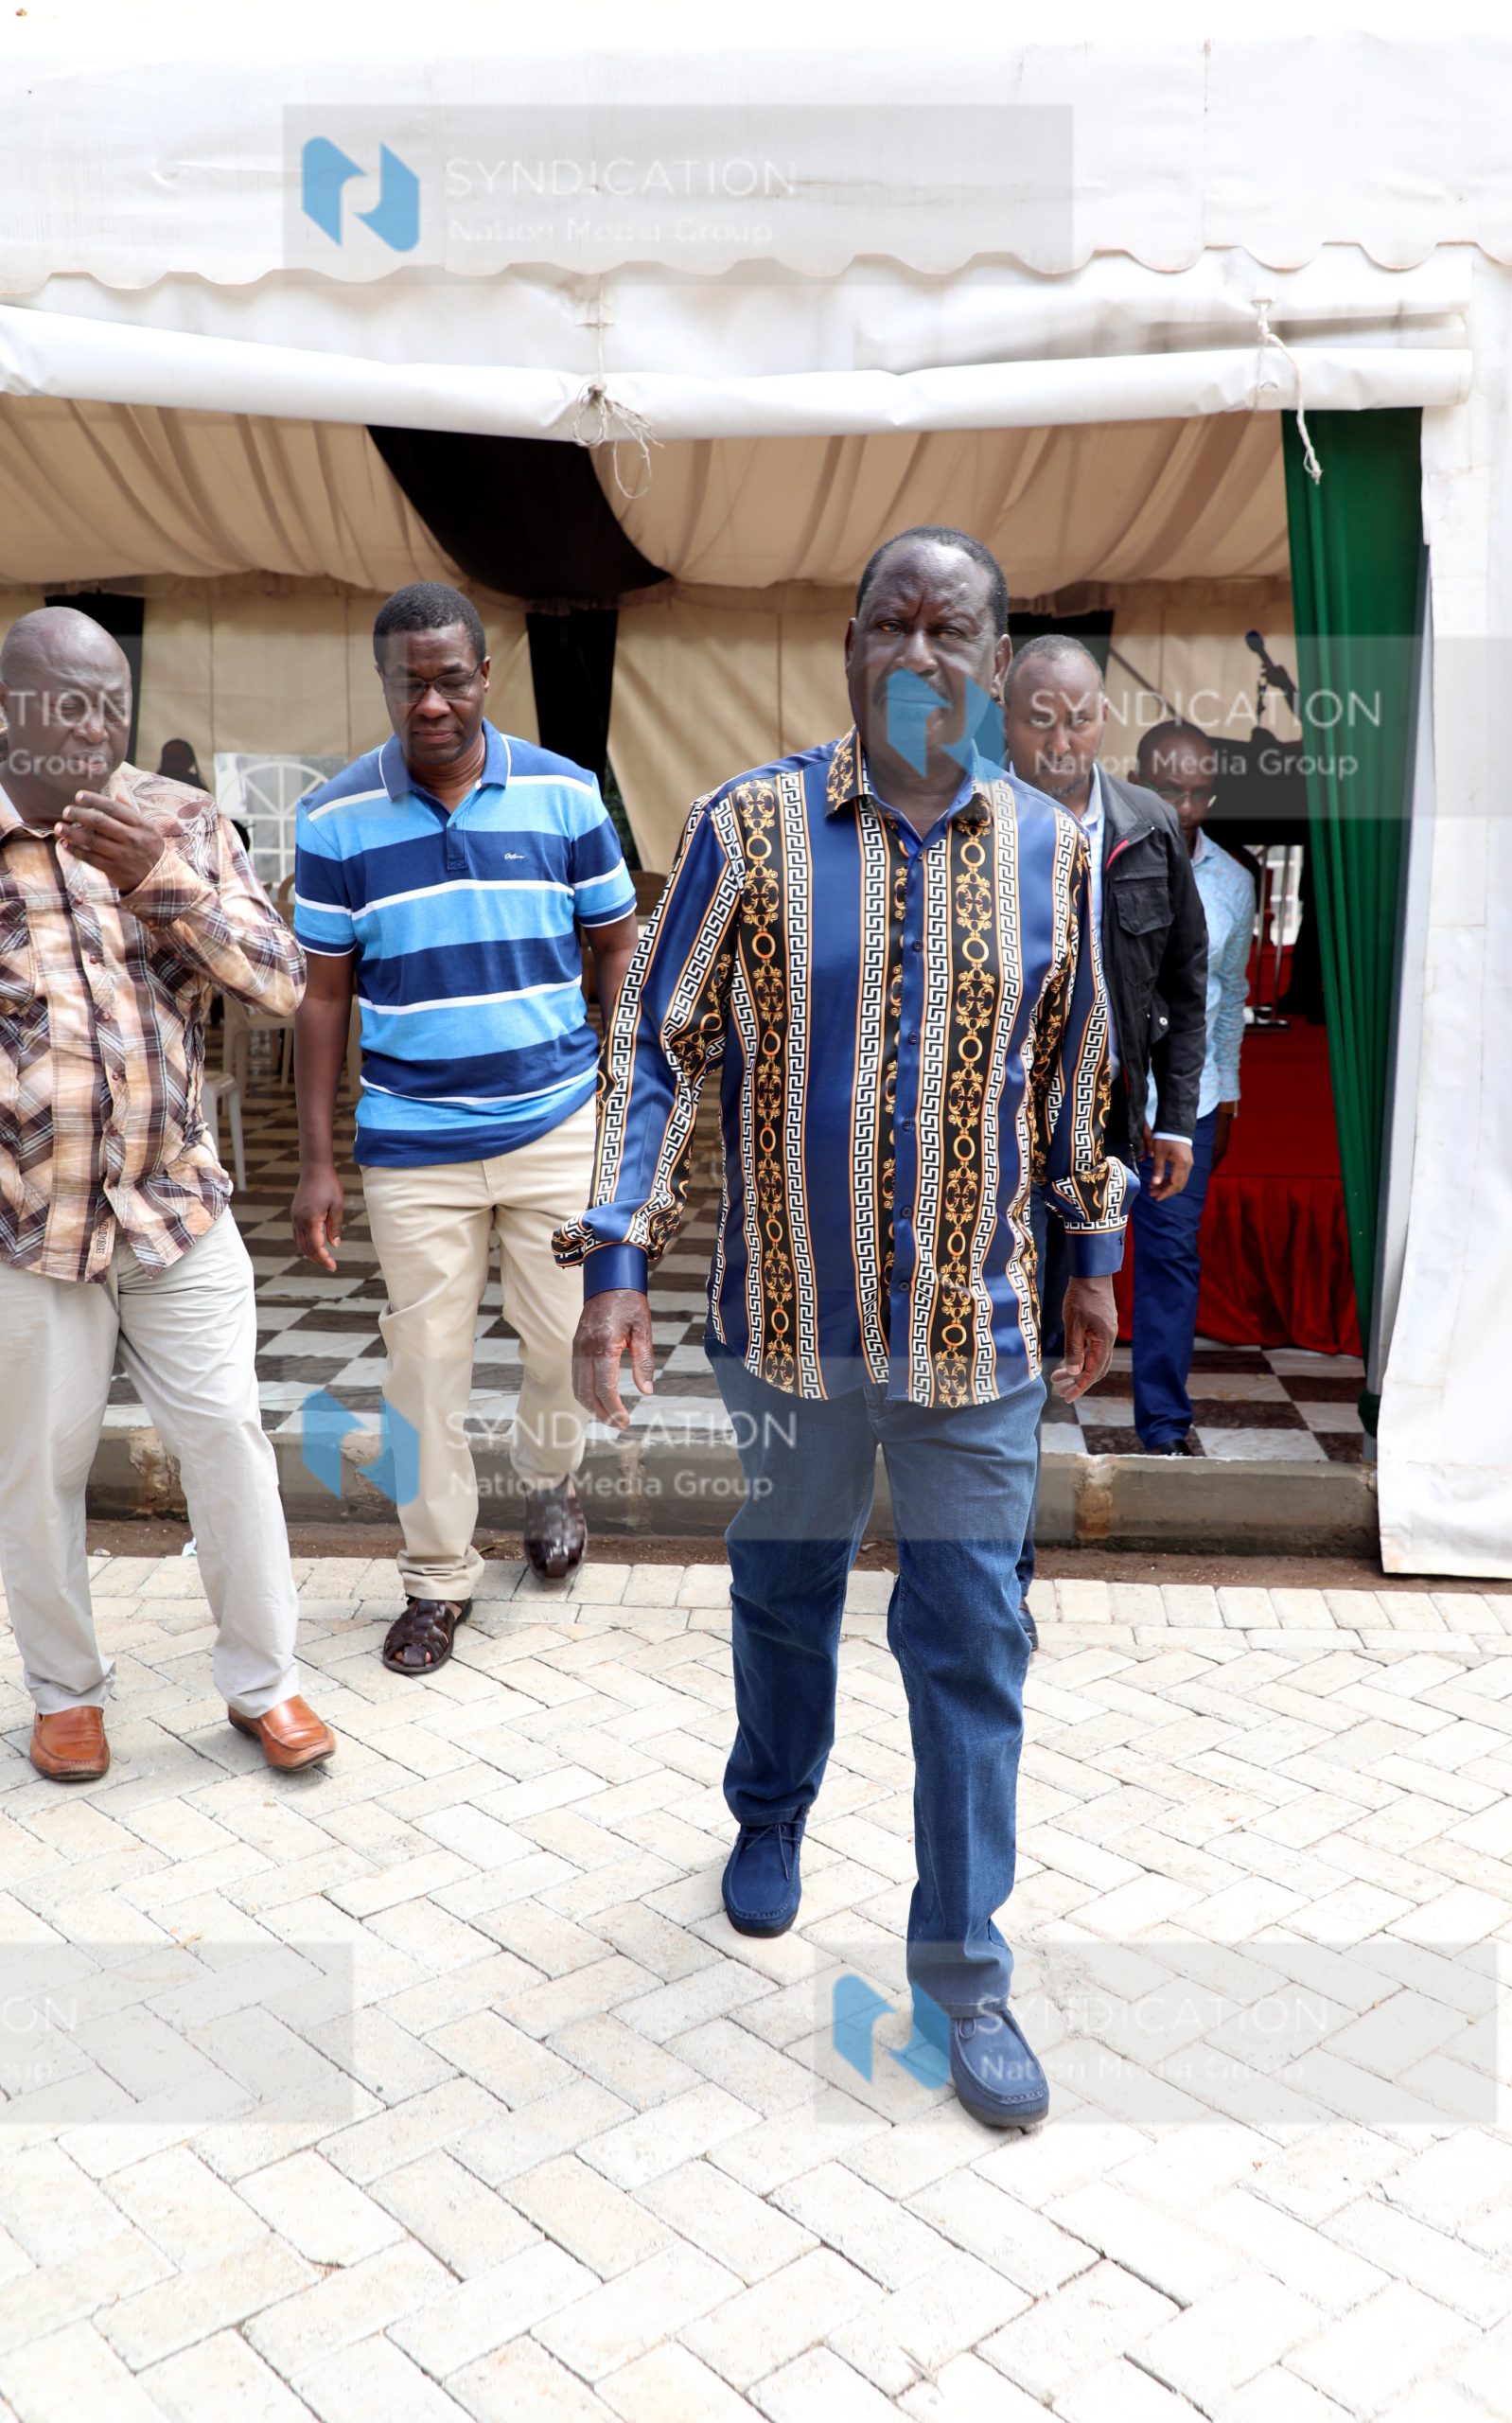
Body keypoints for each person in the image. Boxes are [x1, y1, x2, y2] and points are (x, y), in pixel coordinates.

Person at [560, 528, 1132, 2131]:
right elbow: (659, 1048)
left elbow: (1075, 1068)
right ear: (850, 646)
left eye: (957, 628)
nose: (923, 652)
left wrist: (1091, 1245)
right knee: (782, 1591)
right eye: (894, 620)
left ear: (1000, 659)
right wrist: (618, 1263)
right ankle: (768, 1812)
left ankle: (961, 1971)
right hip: (786, 1331)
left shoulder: (1053, 850)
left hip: (977, 1341)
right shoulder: (748, 829)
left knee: (971, 1647)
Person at [0, 607, 334, 1780]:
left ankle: (265, 1684)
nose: (95, 728)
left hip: (174, 1211)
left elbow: (284, 981)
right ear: (10, 710)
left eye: (111, 704)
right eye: (67, 702)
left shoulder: (180, 820)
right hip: (26, 1226)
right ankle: (64, 1693)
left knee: (229, 1441)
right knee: (35, 1465)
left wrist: (162, 877)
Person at [291, 582, 638, 1671]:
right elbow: (324, 997)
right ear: (383, 683)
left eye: (451, 678)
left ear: (486, 676)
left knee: (555, 1345)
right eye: (410, 682)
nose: (431, 702)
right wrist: (313, 1161)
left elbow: (621, 943)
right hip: (412, 1142)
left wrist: (618, 1093)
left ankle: (552, 1484)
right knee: (422, 1366)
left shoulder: (566, 793)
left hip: (554, 1123)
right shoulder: (335, 818)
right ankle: (437, 1581)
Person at [1003, 638, 1207, 1627]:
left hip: (1111, 1125)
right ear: (1005, 717)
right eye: (1038, 716)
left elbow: (1184, 984)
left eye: (1077, 717)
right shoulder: (971, 823)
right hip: (995, 1129)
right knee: (1003, 1340)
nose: (1060, 737)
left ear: (1103, 721)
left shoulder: (1148, 826)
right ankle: (998, 1570)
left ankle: (1002, 1557)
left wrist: (1176, 1118)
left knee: (1078, 1322)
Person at [1127, 720, 1257, 1455]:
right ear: (1136, 777)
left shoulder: (1233, 882)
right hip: (1097, 1104)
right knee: (1049, 1256)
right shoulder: (1094, 859)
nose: (1184, 806)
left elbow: (1229, 991)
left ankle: (1164, 1428)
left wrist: (1226, 1089)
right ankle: (1020, 1421)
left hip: (1191, 1108)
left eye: (1199, 791)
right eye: (1169, 788)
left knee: (1171, 1261)